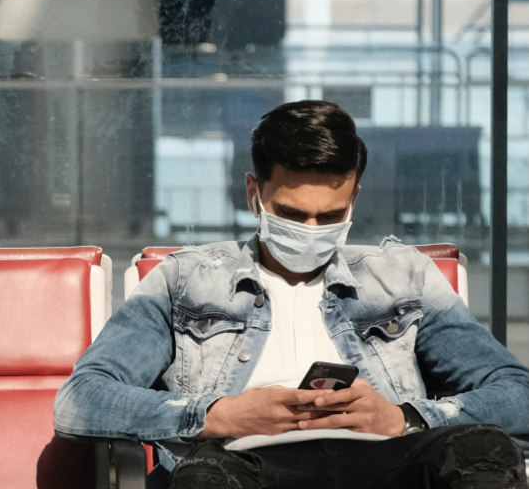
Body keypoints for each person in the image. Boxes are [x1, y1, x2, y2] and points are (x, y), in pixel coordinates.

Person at [54, 100, 529, 488]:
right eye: (292, 214)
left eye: (330, 216)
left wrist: (405, 418)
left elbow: (518, 393)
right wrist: (219, 415)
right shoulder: (185, 279)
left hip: (387, 462)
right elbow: (82, 399)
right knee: (207, 475)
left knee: (482, 450)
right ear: (253, 193)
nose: (311, 229)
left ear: (354, 199)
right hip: (244, 465)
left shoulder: (405, 276)